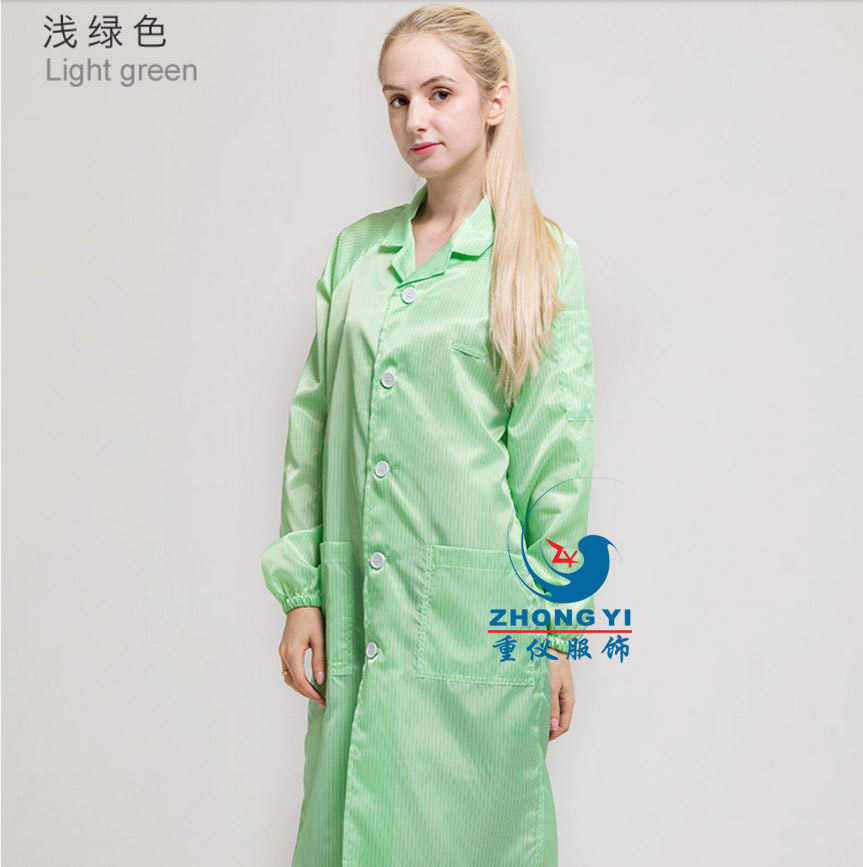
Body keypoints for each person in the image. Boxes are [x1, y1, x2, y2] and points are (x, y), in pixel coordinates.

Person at [261, 4, 596, 864]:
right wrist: (301, 590)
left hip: (477, 619)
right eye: (397, 98)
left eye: (439, 93)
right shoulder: (356, 254)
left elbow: (554, 463)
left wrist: (553, 635)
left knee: (472, 835)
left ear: (494, 101)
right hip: (357, 613)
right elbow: (312, 426)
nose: (415, 119)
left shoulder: (538, 258)